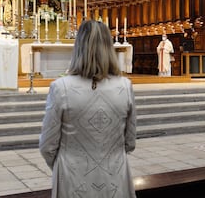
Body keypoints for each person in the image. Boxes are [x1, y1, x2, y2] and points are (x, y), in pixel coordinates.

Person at [39, 20, 137, 198]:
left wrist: (66, 164)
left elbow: (47, 145)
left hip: (72, 180)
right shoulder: (125, 86)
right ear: (109, 47)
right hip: (115, 179)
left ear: (78, 48)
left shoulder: (61, 88)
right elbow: (130, 142)